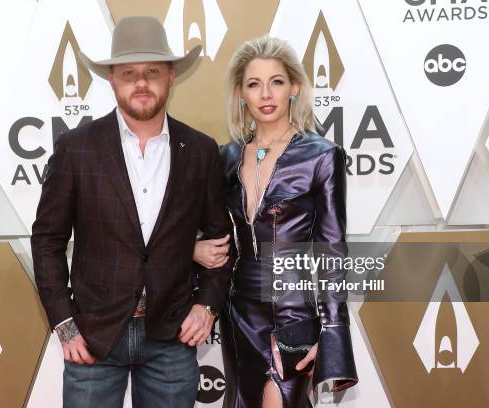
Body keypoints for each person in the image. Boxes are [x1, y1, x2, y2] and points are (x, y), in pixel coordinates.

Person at [31, 16, 233, 408]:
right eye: (129, 73)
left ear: (171, 76)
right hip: (93, 338)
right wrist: (64, 323)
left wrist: (207, 306)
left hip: (171, 338)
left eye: (152, 72)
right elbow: (47, 241)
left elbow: (221, 245)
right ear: (112, 80)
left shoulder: (201, 151)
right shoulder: (76, 148)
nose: (141, 83)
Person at [193, 35, 358, 407]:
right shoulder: (226, 156)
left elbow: (332, 254)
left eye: (277, 82)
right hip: (238, 314)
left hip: (294, 312)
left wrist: (330, 336)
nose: (266, 94)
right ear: (241, 94)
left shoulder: (322, 156)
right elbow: (210, 233)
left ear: (294, 88)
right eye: (254, 84)